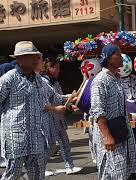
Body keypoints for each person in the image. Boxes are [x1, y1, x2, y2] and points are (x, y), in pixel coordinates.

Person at [0, 41, 65, 180]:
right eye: (30, 56)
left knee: (38, 174)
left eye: (36, 56)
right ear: (19, 59)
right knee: (13, 174)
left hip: (37, 137)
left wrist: (72, 99)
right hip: (15, 138)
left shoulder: (39, 80)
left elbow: (55, 97)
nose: (35, 59)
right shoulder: (8, 79)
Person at [90, 43, 136, 180]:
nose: (122, 57)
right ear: (108, 58)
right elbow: (97, 111)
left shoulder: (117, 78)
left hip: (120, 131)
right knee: (111, 172)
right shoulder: (100, 81)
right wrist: (107, 136)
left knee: (122, 172)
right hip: (109, 134)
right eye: (118, 54)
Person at [41, 57, 82, 174]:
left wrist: (70, 106)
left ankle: (70, 166)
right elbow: (52, 100)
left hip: (59, 119)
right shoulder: (43, 82)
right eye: (57, 68)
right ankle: (41, 168)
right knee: (49, 146)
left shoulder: (55, 82)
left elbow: (60, 98)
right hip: (48, 119)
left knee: (65, 143)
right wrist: (71, 97)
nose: (59, 71)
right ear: (49, 68)